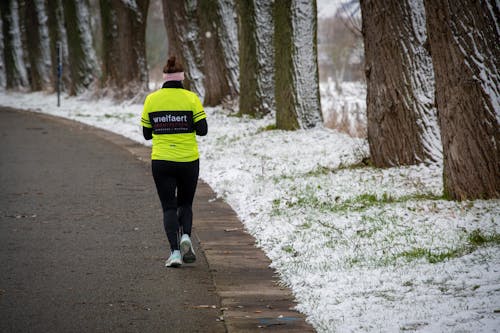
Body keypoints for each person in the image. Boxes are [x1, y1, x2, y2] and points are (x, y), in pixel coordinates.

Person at [141, 55, 208, 267]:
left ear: (164, 77)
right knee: (185, 204)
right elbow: (203, 130)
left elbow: (146, 134)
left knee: (169, 207)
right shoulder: (191, 98)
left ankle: (175, 252)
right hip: (188, 160)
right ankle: (186, 235)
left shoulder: (151, 100)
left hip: (162, 161)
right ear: (181, 78)